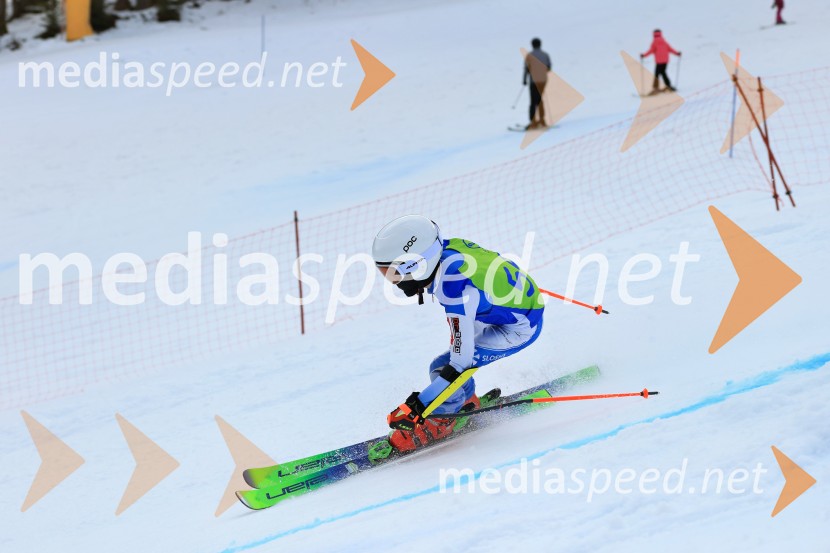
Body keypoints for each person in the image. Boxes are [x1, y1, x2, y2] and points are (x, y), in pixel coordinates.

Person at [372, 215, 546, 452]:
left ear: (416, 265)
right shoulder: (448, 249)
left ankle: (444, 418)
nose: (393, 282)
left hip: (519, 327)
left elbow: (460, 362)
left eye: (394, 274)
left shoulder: (454, 287)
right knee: (447, 363)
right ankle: (465, 402)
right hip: (507, 309)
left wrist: (417, 407)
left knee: (443, 367)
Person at [523, 38, 552, 129]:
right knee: (540, 100)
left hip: (533, 81)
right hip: (543, 80)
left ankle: (533, 122)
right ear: (540, 44)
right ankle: (542, 121)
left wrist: (524, 80)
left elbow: (526, 69)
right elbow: (549, 68)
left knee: (533, 101)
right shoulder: (545, 55)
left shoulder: (529, 55)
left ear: (532, 45)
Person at [640, 29, 681, 94]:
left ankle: (656, 88)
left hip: (659, 61)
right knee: (663, 72)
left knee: (657, 73)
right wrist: (677, 53)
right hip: (665, 61)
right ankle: (668, 85)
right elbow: (670, 49)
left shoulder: (654, 42)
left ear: (654, 34)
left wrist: (644, 55)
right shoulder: (664, 41)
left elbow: (651, 51)